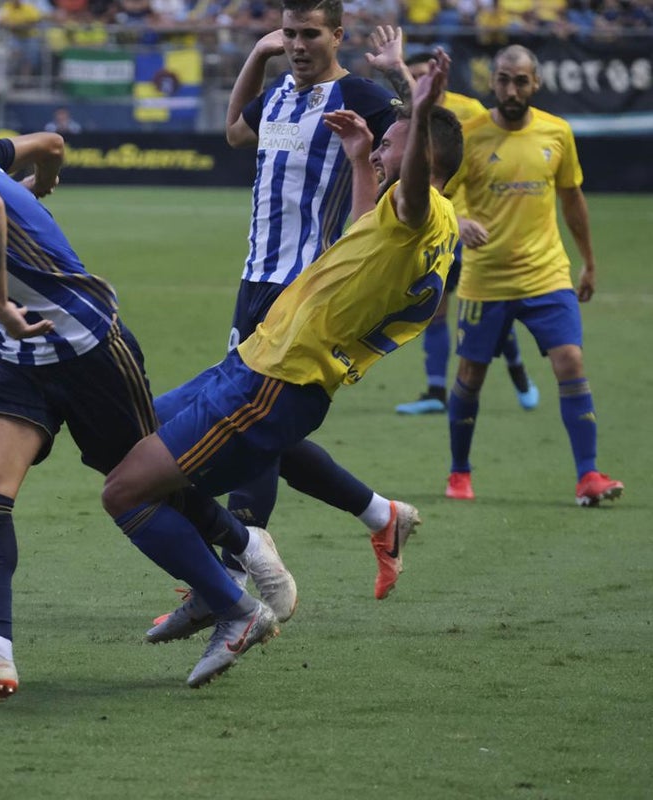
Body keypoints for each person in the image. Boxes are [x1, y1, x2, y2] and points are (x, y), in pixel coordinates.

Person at [0, 74, 282, 696]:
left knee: (141, 485)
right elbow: (50, 142)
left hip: (87, 347)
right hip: (23, 354)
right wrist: (42, 187)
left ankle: (239, 586)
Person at [105, 52, 464, 656]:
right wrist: (358, 160)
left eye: (388, 144)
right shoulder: (405, 220)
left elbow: (411, 193)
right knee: (123, 441)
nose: (378, 149)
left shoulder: (424, 210)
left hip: (277, 380)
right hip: (253, 361)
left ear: (424, 158)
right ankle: (238, 565)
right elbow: (360, 235)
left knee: (130, 487)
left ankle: (232, 590)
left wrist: (420, 100)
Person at [150, 4, 417, 629]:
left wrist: (404, 79)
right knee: (265, 425)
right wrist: (256, 55)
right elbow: (234, 134)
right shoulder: (275, 97)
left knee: (249, 423)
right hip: (255, 282)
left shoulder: (359, 94)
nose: (298, 45)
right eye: (289, 34)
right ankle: (381, 515)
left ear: (337, 37)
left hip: (308, 284)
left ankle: (236, 574)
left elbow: (423, 142)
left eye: (309, 34)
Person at [444, 45, 624, 507]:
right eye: (503, 79)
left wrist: (588, 261)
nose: (510, 89)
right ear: (493, 82)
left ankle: (588, 475)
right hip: (486, 279)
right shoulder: (470, 135)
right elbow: (442, 189)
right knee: (470, 375)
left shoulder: (557, 132)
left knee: (571, 362)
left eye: (520, 81)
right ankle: (459, 472)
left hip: (547, 274)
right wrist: (460, 219)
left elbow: (572, 199)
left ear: (535, 84)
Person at [394, 49, 539, 416]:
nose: (417, 81)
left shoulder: (470, 112)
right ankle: (435, 391)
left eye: (424, 73)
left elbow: (498, 162)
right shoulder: (404, 119)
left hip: (475, 229)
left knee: (489, 310)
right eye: (410, 75)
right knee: (435, 309)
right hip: (434, 227)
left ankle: (518, 369)